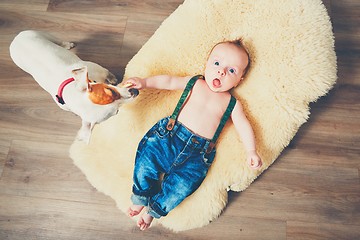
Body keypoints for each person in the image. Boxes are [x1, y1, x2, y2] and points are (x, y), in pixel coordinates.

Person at [124, 40, 262, 230]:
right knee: (147, 159)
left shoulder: (232, 103)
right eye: (217, 64)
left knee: (181, 187)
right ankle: (141, 195)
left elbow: (243, 124)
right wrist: (145, 82)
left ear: (240, 80)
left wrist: (251, 150)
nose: (221, 71)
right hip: (169, 137)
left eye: (231, 71)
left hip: (197, 155)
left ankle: (153, 211)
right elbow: (169, 81)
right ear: (206, 63)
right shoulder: (196, 83)